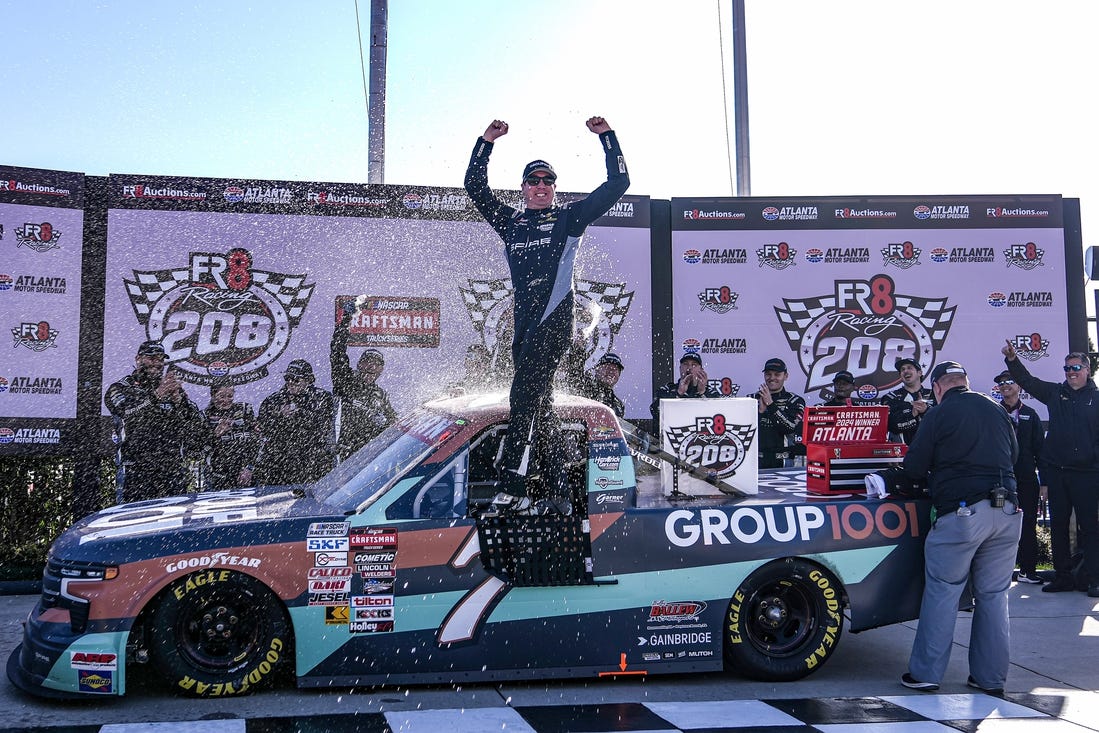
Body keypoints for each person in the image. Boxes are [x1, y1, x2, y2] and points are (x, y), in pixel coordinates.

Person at [464, 115, 629, 511]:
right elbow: (474, 186)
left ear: (554, 189)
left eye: (547, 181)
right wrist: (487, 141)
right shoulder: (511, 221)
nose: (541, 186)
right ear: (523, 188)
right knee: (540, 405)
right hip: (524, 326)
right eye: (534, 181)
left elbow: (618, 184)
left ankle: (515, 488)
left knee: (522, 397)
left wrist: (607, 137)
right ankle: (560, 486)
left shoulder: (569, 218)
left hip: (555, 322)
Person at [899, 360, 1022, 694]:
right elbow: (1013, 456)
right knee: (994, 596)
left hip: (963, 514)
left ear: (938, 387)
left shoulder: (939, 413)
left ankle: (926, 674)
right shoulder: (996, 408)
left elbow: (913, 466)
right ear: (965, 382)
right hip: (1007, 510)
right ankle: (990, 679)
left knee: (943, 589)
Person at [1002, 345, 1099, 597]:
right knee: (1057, 525)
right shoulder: (1056, 393)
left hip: (1087, 474)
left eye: (1075, 368)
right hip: (1057, 472)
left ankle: (1095, 579)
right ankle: (1063, 577)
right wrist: (1012, 359)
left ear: (1087, 370)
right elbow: (1027, 381)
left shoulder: (1096, 398)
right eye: (1067, 368)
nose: (1070, 372)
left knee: (1090, 527)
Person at [104, 340, 205, 503]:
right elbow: (128, 415)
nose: (157, 363)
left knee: (173, 523)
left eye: (160, 359)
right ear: (138, 359)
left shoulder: (172, 389)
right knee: (134, 522)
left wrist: (179, 400)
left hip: (172, 470)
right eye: (151, 358)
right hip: (135, 469)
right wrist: (158, 395)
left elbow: (198, 425)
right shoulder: (120, 388)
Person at [993, 370, 1046, 585]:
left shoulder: (1030, 414)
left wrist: (1045, 483)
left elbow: (1040, 451)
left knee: (1027, 524)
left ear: (1019, 387)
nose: (1005, 385)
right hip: (999, 479)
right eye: (1001, 383)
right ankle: (997, 575)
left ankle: (1027, 570)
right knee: (996, 527)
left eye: (1009, 381)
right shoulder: (993, 411)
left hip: (1025, 479)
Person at [255, 359, 336, 485]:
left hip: (312, 463)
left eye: (296, 379)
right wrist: (280, 416)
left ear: (309, 380)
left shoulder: (322, 397)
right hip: (280, 464)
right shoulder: (273, 400)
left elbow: (323, 427)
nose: (290, 382)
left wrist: (299, 414)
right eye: (287, 378)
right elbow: (263, 430)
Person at [330, 309, 397, 460]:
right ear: (360, 364)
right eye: (367, 362)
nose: (371, 367)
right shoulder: (346, 382)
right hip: (346, 453)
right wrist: (345, 322)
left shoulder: (381, 394)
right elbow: (337, 352)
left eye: (376, 365)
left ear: (380, 370)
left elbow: (394, 423)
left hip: (371, 455)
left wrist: (385, 422)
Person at [202, 381, 259, 490]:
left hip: (246, 475)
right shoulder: (204, 415)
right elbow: (199, 448)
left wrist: (249, 468)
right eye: (221, 396)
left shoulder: (244, 410)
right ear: (213, 395)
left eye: (230, 396)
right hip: (217, 478)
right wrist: (215, 434)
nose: (226, 400)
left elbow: (256, 441)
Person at [752, 358, 806, 469]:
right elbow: (747, 430)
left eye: (777, 374)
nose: (772, 378)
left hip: (784, 463)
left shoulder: (795, 401)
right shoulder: (751, 399)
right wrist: (760, 413)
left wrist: (770, 404)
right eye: (768, 374)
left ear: (786, 376)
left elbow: (790, 427)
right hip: (756, 461)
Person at [650, 353, 721, 435]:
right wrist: (678, 394)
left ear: (701, 370)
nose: (689, 368)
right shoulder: (667, 390)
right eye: (685, 364)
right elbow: (655, 411)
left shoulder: (712, 393)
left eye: (694, 365)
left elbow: (718, 415)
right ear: (680, 368)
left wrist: (702, 393)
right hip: (673, 440)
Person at [881, 357, 934, 444]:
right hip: (903, 453)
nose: (905, 371)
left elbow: (943, 421)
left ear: (919, 373)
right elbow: (891, 426)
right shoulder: (890, 397)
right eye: (902, 369)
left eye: (909, 368)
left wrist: (926, 410)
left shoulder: (934, 394)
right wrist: (912, 414)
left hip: (933, 451)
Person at [580, 352, 627, 417]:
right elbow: (575, 370)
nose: (611, 372)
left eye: (615, 369)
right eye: (607, 367)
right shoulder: (584, 387)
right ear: (597, 370)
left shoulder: (618, 404)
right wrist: (579, 349)